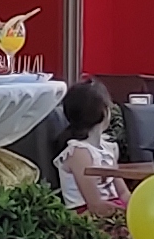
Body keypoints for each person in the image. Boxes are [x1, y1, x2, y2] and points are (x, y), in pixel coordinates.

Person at [53, 77, 126, 209]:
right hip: (85, 213)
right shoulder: (78, 152)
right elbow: (94, 204)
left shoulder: (108, 147)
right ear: (105, 112)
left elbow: (123, 192)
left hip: (113, 207)